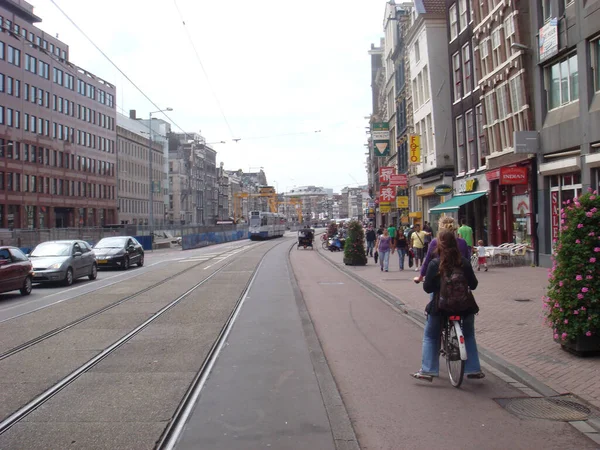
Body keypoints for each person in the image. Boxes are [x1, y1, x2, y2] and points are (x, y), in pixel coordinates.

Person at [411, 228, 484, 381]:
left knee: (431, 336)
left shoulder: (435, 264)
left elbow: (427, 288)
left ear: (440, 245)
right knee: (469, 334)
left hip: (441, 307)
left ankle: (428, 370)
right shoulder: (464, 262)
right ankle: (473, 369)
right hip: (465, 306)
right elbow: (474, 285)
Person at [415, 216, 471, 283]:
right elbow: (467, 262)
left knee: (435, 291)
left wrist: (420, 277)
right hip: (459, 282)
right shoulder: (462, 242)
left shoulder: (435, 242)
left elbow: (427, 262)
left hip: (440, 281)